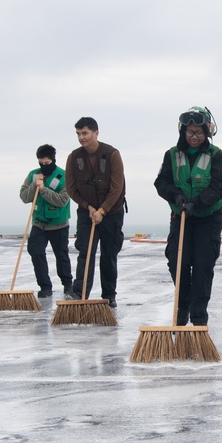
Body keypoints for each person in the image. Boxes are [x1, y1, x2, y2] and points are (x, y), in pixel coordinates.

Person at [154, 106, 222, 326]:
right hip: (180, 218)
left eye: (199, 132)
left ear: (207, 133)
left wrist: (195, 204)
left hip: (208, 219)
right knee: (177, 262)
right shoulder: (171, 155)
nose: (194, 137)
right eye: (190, 132)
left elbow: (218, 186)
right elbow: (161, 182)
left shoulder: (216, 155)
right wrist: (176, 196)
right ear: (182, 132)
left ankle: (198, 317)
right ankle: (183, 305)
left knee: (203, 266)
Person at [64, 117, 126, 307]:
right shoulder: (74, 157)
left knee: (109, 254)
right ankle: (79, 292)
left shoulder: (112, 154)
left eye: (85, 133)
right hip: (87, 212)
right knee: (85, 251)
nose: (81, 138)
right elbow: (71, 188)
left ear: (96, 133)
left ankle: (109, 295)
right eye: (78, 134)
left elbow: (117, 187)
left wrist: (102, 210)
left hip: (112, 212)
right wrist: (89, 208)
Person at [18, 144, 73, 298]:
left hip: (58, 223)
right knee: (35, 252)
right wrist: (35, 186)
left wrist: (43, 189)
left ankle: (68, 284)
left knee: (61, 255)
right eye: (41, 163)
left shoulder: (63, 176)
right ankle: (45, 286)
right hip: (39, 223)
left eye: (47, 163)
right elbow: (24, 197)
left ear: (53, 160)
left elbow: (62, 200)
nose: (43, 166)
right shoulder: (33, 175)